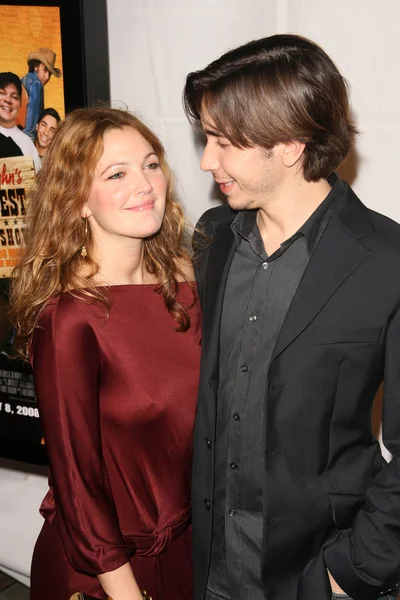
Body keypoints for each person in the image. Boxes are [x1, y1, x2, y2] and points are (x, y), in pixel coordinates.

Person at [183, 34, 400, 600]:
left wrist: (348, 573)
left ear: (290, 144)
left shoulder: (387, 261)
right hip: (207, 571)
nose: (207, 161)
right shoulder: (213, 238)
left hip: (314, 574)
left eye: (222, 142)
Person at [9, 106, 201, 600]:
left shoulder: (188, 284)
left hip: (186, 554)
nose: (145, 184)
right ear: (77, 201)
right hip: (103, 576)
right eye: (117, 173)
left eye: (151, 164)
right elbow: (77, 483)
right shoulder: (71, 317)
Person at [0, 71, 40, 171]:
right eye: (2, 93)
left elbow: (36, 182)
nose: (8, 100)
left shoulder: (27, 144)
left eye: (14, 97)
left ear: (20, 104)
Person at [20, 47, 62, 136]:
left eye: (49, 73)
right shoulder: (36, 84)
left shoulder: (24, 79)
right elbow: (31, 125)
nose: (47, 77)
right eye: (45, 70)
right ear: (36, 66)